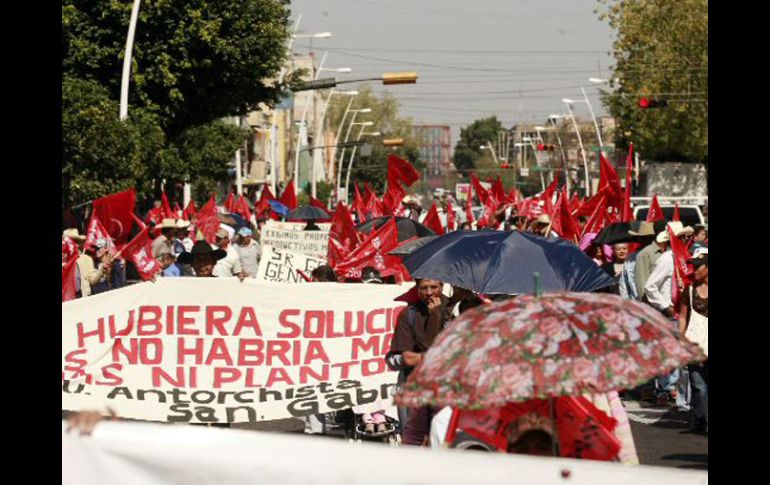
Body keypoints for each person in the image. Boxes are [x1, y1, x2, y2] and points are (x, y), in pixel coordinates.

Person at [386, 278, 453, 445]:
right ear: (416, 289)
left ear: (442, 287)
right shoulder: (409, 314)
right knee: (412, 439)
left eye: (433, 287)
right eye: (424, 288)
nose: (429, 293)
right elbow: (397, 357)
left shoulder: (454, 311)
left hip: (447, 388)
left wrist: (436, 316)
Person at [643, 222, 692, 409]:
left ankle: (679, 393)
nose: (686, 240)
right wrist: (665, 306)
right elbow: (650, 286)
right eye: (682, 237)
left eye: (687, 237)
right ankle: (664, 388)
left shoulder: (686, 257)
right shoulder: (666, 259)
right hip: (670, 312)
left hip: (685, 312)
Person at [679, 249, 708, 433]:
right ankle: (700, 419)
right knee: (699, 385)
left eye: (698, 266)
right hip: (695, 343)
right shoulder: (689, 290)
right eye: (693, 266)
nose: (694, 270)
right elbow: (682, 316)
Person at [619, 222, 656, 301]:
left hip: (654, 304)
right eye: (644, 238)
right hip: (635, 304)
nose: (645, 240)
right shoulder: (631, 258)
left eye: (648, 238)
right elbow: (624, 284)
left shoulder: (658, 256)